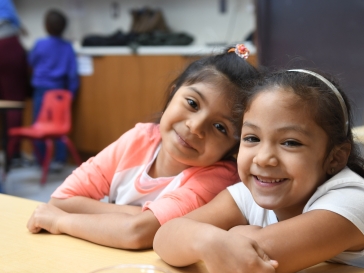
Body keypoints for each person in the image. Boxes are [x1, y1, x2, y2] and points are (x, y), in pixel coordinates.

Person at [153, 69, 364, 273]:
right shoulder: (248, 193)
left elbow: (254, 263)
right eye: (251, 138)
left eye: (290, 143)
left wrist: (233, 236)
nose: (263, 158)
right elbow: (165, 237)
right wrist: (208, 241)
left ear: (335, 157)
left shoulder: (351, 204)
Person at [26, 44, 259, 250]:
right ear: (173, 93)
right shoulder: (140, 138)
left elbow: (137, 233)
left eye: (220, 127)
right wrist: (141, 216)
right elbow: (61, 200)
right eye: (192, 103)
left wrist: (60, 222)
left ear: (234, 146)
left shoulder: (220, 178)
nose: (195, 127)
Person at [28, 9, 79, 170]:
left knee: (39, 124)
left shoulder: (40, 44)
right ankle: (60, 159)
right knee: (59, 126)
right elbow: (72, 73)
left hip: (41, 89)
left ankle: (40, 159)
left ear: (46, 26)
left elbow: (31, 61)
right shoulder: (68, 47)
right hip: (60, 92)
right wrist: (72, 93)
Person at [0, 0, 31, 160]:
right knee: (14, 103)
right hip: (7, 44)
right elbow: (11, 17)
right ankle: (14, 154)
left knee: (4, 103)